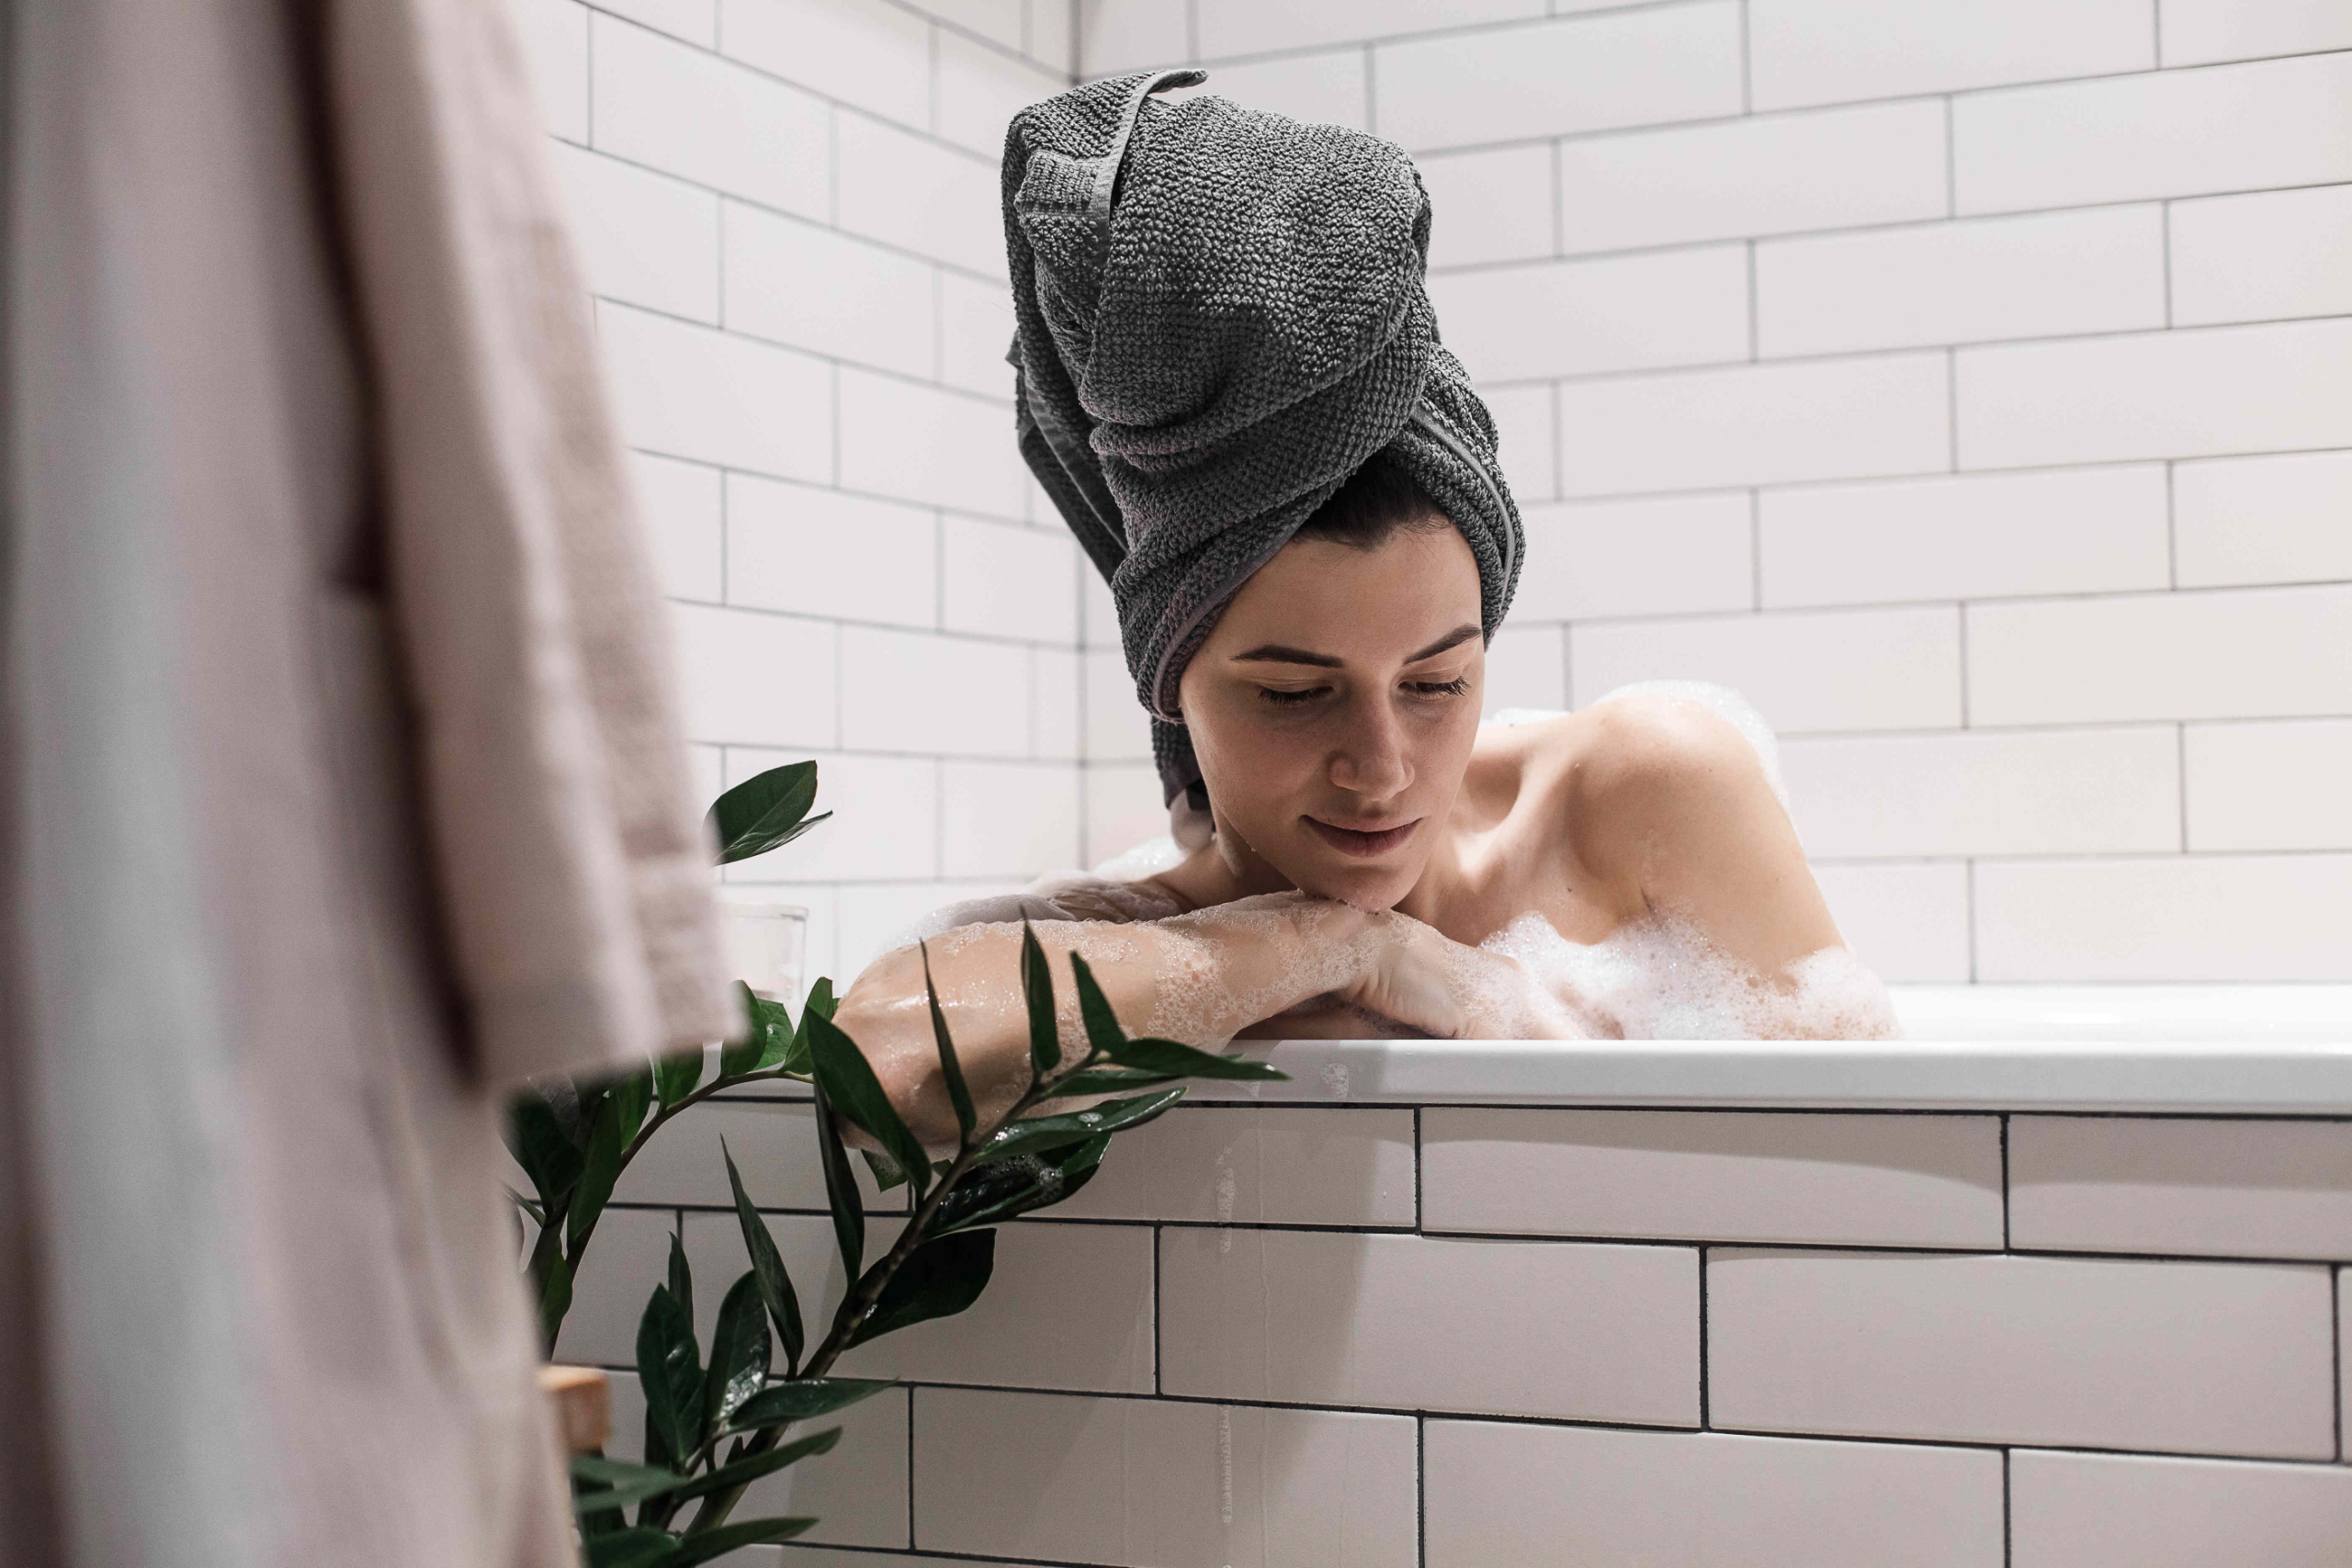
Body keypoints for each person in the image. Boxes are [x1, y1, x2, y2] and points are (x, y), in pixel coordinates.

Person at [834, 71, 1889, 1145]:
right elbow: (877, 1072)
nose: (1381, 769)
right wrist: (1332, 944)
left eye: (1436, 682)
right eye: (1294, 694)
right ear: (1174, 682)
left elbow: (1867, 1152)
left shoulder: (1636, 790)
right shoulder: (1143, 934)